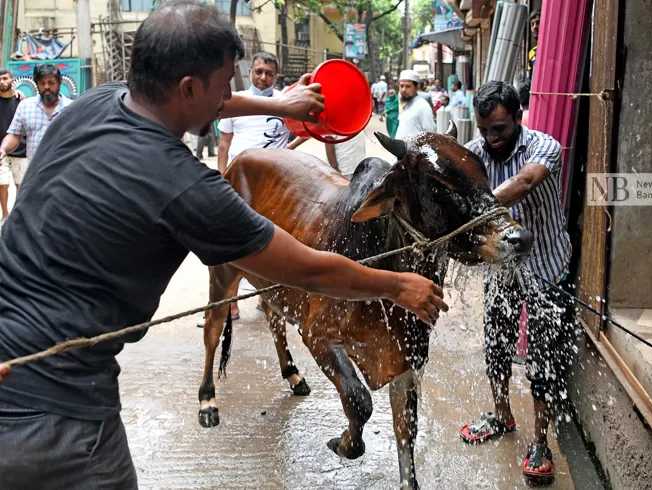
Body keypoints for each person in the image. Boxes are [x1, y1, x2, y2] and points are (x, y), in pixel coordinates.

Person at [0, 3, 448, 488]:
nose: (230, 95)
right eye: (225, 84)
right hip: (58, 413)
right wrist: (397, 285)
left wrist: (279, 105)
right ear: (189, 88)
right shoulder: (187, 189)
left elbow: (214, 104)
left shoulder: (96, 102)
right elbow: (312, 271)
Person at [459, 81, 576, 484]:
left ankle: (540, 440)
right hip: (503, 268)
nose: (491, 139)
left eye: (500, 130)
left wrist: (475, 208)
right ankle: (502, 415)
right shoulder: (473, 154)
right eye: (484, 130)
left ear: (518, 118)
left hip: (547, 266)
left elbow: (524, 183)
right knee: (497, 343)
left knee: (545, 360)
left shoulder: (546, 147)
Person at [196, 50, 304, 326]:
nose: (263, 77)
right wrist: (221, 177)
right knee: (232, 243)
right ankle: (228, 305)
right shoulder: (234, 101)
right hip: (239, 184)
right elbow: (224, 144)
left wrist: (288, 149)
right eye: (259, 72)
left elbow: (306, 131)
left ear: (276, 76)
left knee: (274, 242)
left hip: (278, 187)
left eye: (269, 73)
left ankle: (266, 300)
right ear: (250, 73)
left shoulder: (286, 101)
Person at [0, 63, 72, 179]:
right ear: (37, 84)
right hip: (35, 174)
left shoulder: (72, 108)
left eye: (51, 83)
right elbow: (14, 135)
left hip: (64, 173)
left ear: (59, 82)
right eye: (42, 83)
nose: (46, 87)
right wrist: (3, 149)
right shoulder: (26, 106)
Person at [0, 67, 25, 226]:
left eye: (5, 79)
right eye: (0, 80)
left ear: (12, 80)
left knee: (20, 184)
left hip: (21, 150)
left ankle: (19, 215)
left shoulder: (21, 101)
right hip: (0, 152)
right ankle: (5, 215)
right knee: (2, 184)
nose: (2, 82)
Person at [395, 70, 436, 140]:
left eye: (408, 86)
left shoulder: (423, 107)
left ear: (417, 87)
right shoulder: (407, 103)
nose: (403, 89)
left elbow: (431, 136)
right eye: (401, 86)